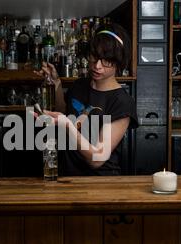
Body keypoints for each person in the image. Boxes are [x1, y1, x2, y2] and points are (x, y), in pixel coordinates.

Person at [35, 23, 138, 176]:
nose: (97, 66)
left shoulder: (122, 101)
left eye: (106, 60)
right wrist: (56, 83)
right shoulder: (79, 85)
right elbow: (64, 111)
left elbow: (97, 158)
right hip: (68, 177)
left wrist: (67, 126)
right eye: (94, 57)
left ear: (119, 62)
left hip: (99, 183)